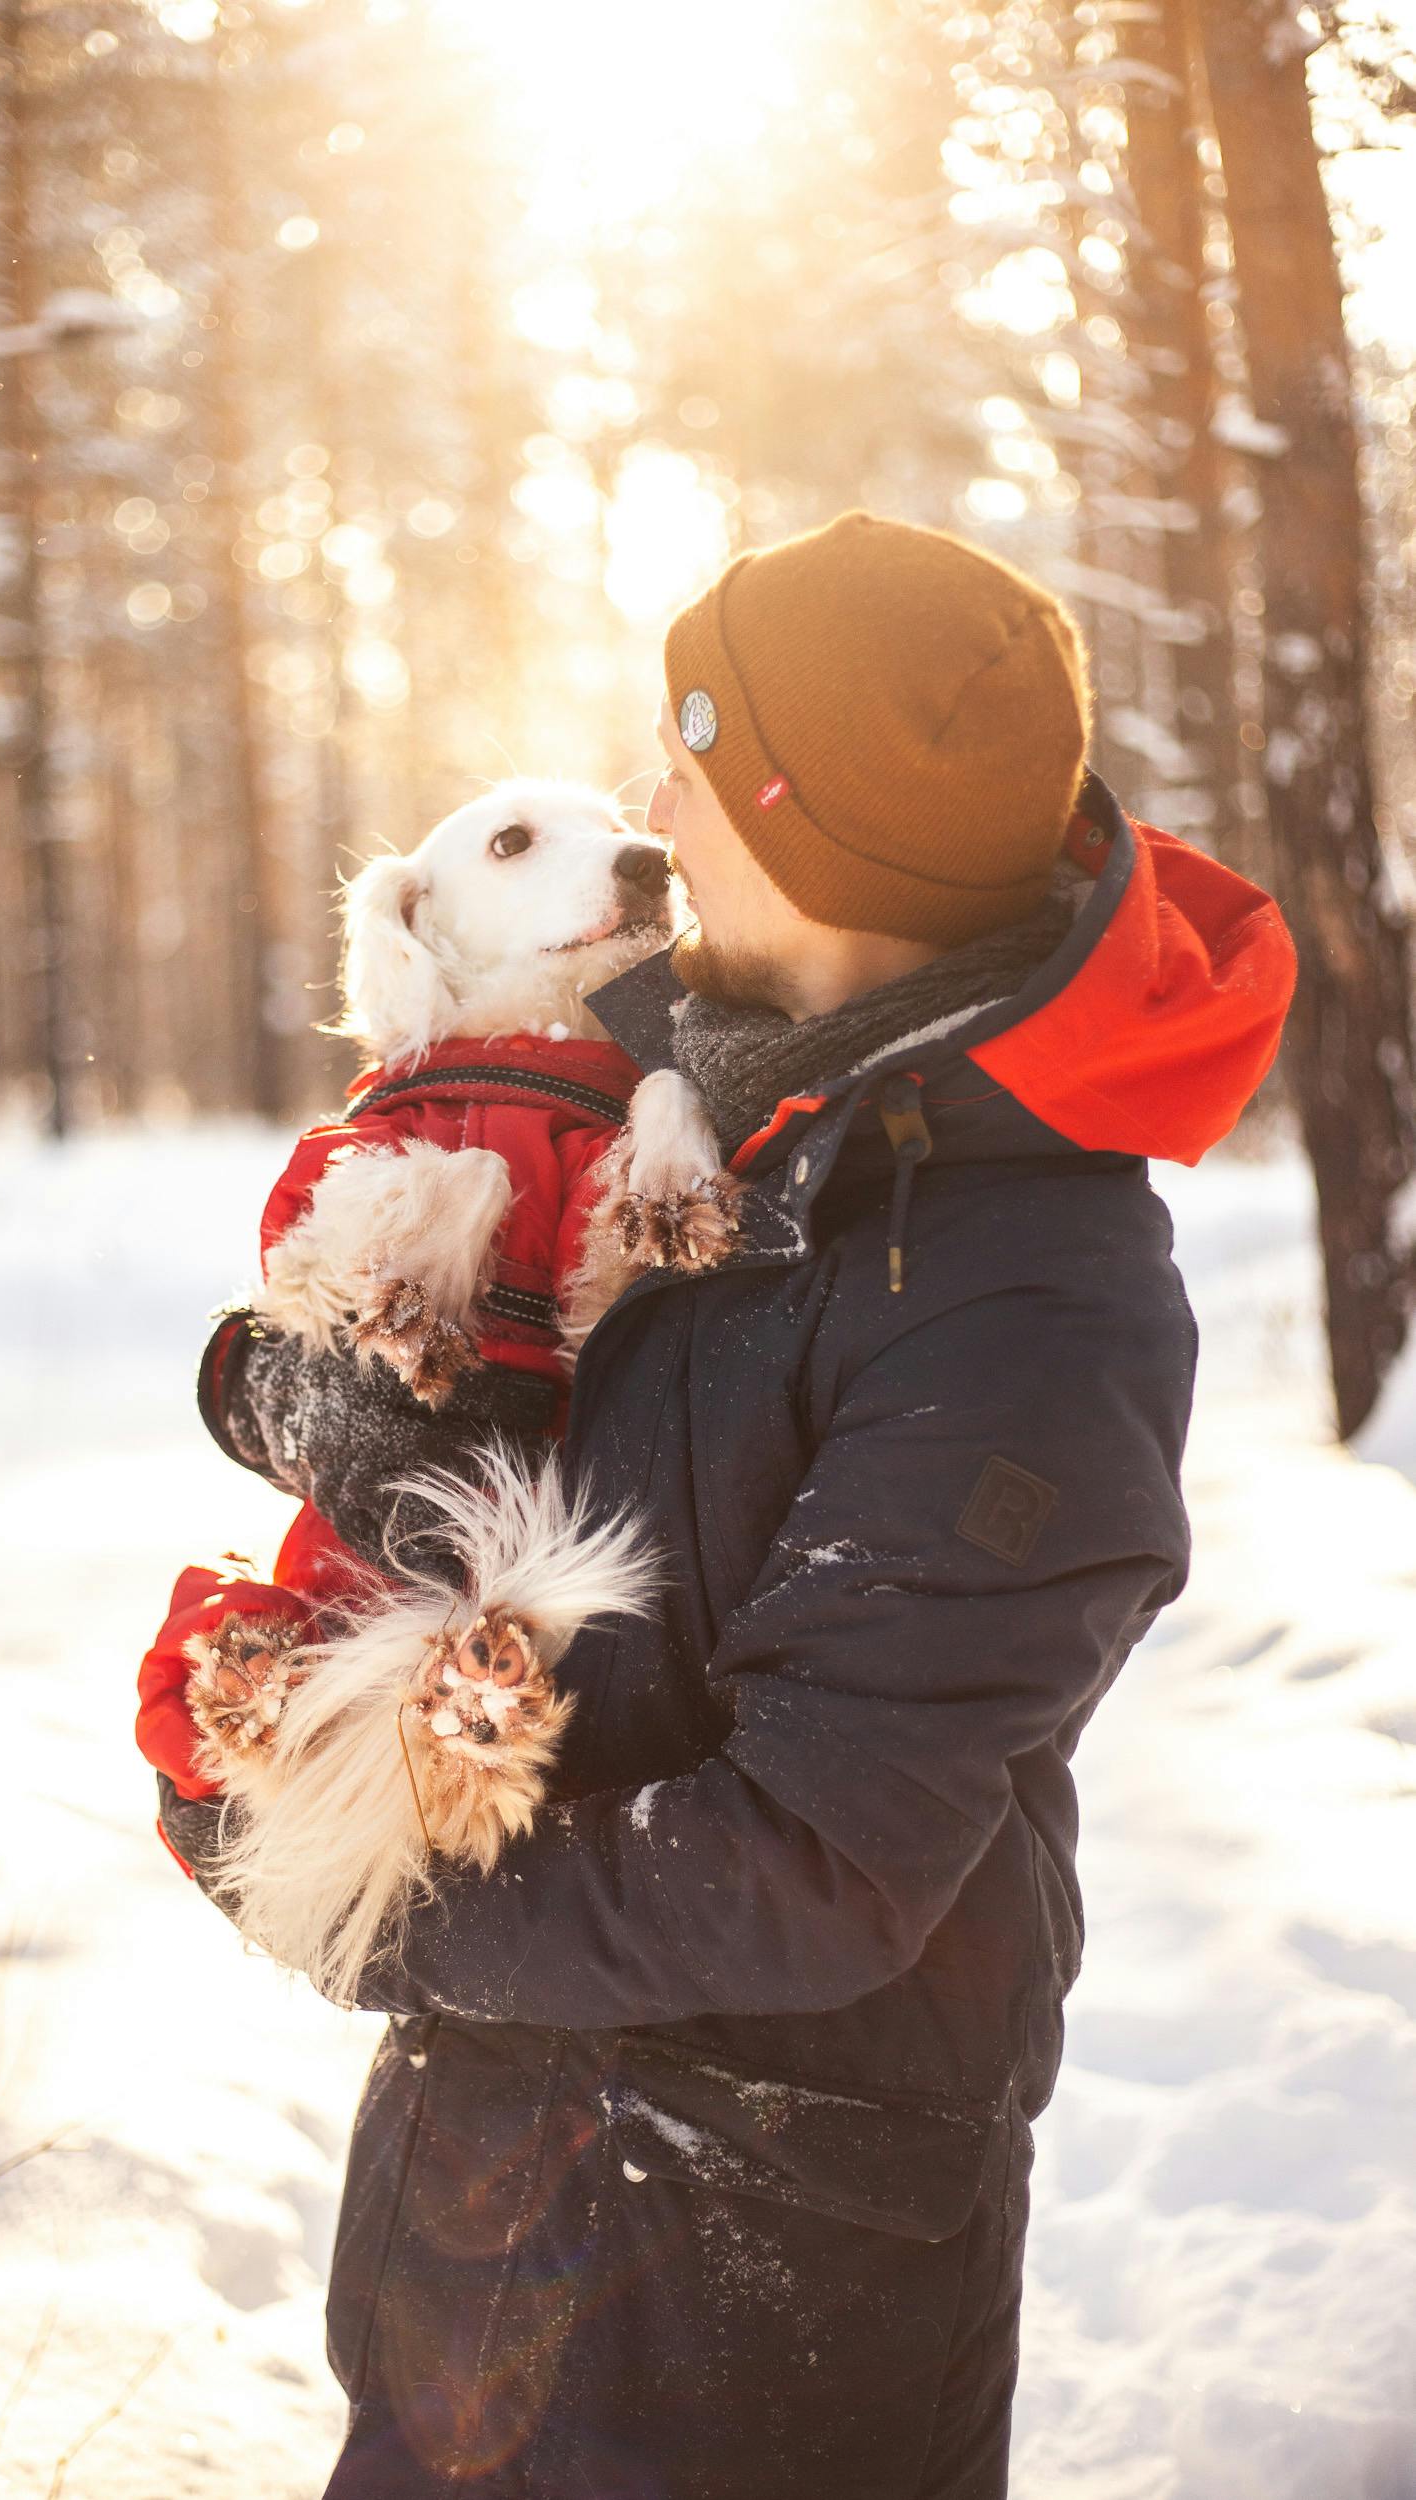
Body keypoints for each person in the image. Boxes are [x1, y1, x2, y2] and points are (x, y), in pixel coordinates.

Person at [154, 509, 1297, 2498]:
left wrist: (355, 1899)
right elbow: (503, 1472)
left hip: (756, 2303)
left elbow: (809, 1860)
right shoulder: (687, 1104)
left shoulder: (1027, 1291)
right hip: (484, 2227)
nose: (652, 794)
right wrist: (286, 1392)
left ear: (807, 820)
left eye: (691, 747)